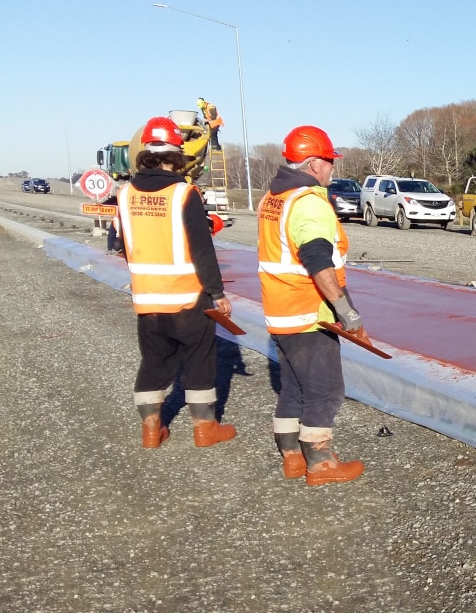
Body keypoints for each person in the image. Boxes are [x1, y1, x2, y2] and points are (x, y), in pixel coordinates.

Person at [113, 115, 238, 449]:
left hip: (147, 299)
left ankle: (151, 431)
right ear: (176, 155)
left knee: (154, 363)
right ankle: (204, 430)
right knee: (199, 362)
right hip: (188, 299)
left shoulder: (124, 195)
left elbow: (118, 243)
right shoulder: (184, 194)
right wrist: (217, 292)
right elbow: (201, 248)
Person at [257, 125, 367, 486]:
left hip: (279, 309)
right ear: (314, 163)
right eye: (330, 162)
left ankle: (290, 456)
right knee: (325, 389)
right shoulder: (307, 202)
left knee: (293, 387)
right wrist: (345, 310)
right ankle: (320, 462)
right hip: (309, 312)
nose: (331, 169)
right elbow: (318, 259)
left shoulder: (273, 198)